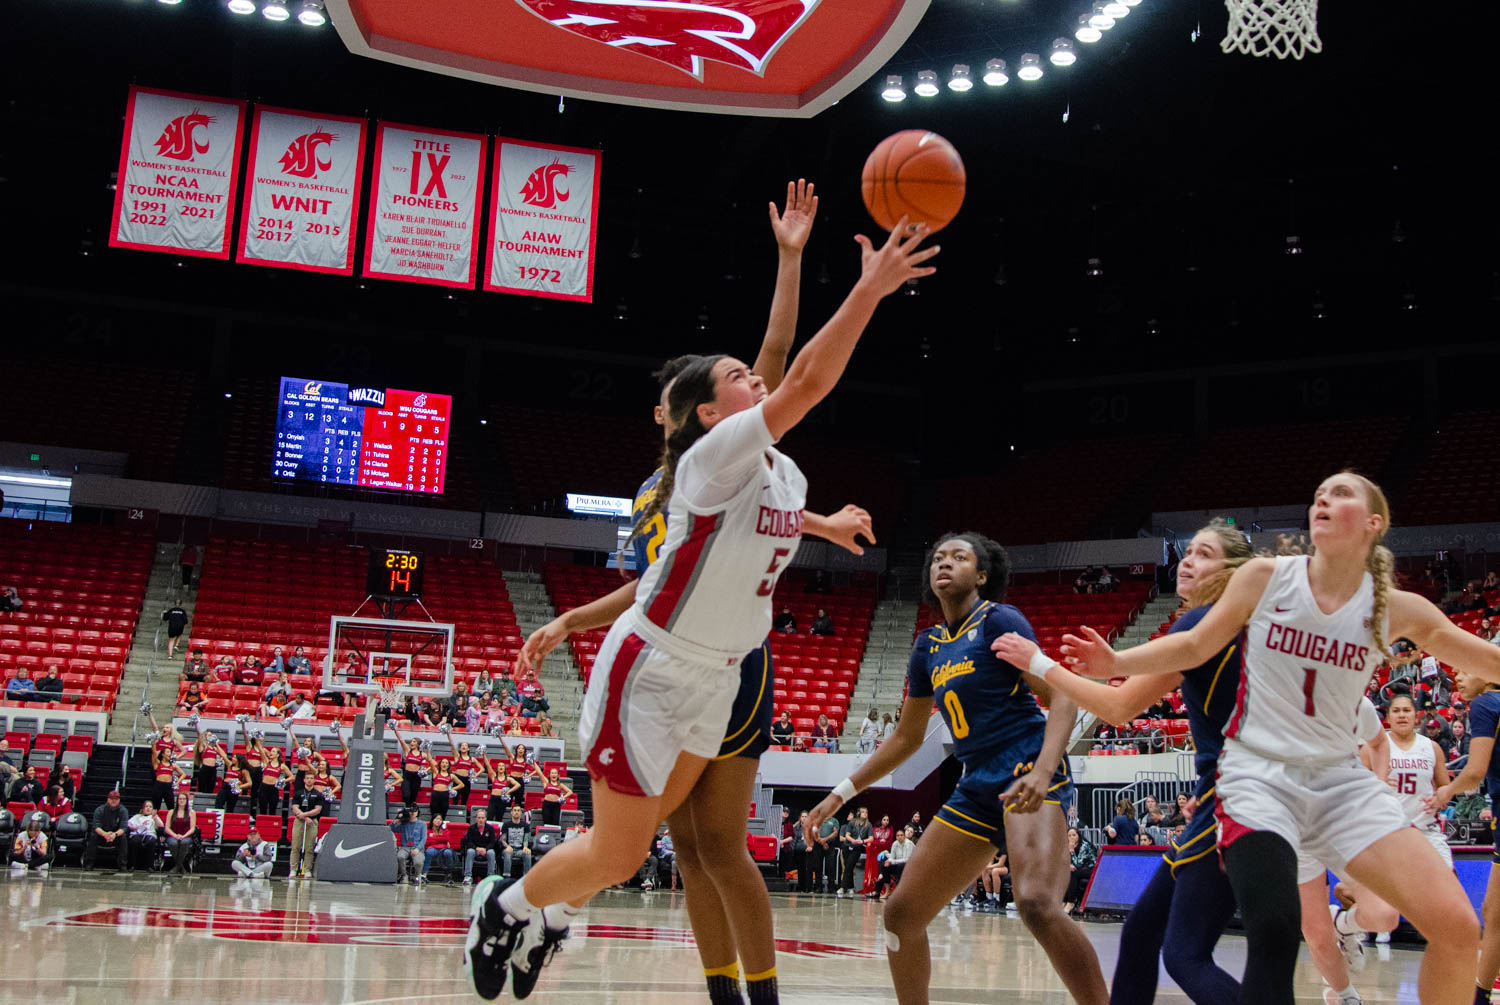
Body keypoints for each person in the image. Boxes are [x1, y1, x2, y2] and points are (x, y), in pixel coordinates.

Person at [470, 204, 932, 1004]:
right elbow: (806, 378)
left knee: (649, 838)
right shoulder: (710, 458)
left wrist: (790, 259)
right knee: (625, 853)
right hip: (651, 667)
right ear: (710, 415)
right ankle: (506, 906)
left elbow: (783, 365)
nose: (756, 377)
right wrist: (870, 290)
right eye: (738, 379)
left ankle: (552, 911)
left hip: (720, 677)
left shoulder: (777, 470)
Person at [1052, 471, 1500, 1003]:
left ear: (1374, 524)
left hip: (1337, 781)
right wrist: (1115, 661)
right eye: (1319, 495)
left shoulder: (1392, 607)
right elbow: (1194, 644)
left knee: (1455, 926)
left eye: (1341, 494)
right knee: (1260, 935)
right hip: (1258, 779)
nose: (1323, 500)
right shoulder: (1268, 577)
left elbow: (1480, 656)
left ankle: (1346, 935)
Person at [807, 532, 1107, 1005]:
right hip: (976, 784)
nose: (944, 563)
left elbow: (1063, 695)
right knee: (901, 913)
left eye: (959, 557)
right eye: (938, 557)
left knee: (1036, 904)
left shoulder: (998, 621)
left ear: (982, 575)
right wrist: (842, 792)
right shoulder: (927, 646)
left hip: (1027, 769)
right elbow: (906, 738)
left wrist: (1044, 771)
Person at [289, 779, 327, 879]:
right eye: (308, 778)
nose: (309, 780)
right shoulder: (298, 793)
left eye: (311, 778)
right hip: (299, 821)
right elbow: (295, 807)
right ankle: (293, 869)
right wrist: (304, 817)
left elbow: (318, 810)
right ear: (304, 780)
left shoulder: (318, 794)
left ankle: (307, 870)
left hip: (312, 821)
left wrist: (306, 815)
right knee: (296, 846)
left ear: (314, 780)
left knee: (309, 847)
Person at [85, 789, 129, 870]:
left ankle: (123, 865)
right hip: (102, 834)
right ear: (108, 799)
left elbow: (123, 827)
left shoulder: (123, 811)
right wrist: (105, 834)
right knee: (93, 836)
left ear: (119, 800)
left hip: (115, 835)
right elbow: (96, 826)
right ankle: (89, 863)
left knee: (123, 837)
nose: (114, 801)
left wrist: (114, 835)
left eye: (116, 799)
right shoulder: (100, 810)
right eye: (112, 799)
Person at [462, 808, 502, 885]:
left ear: (485, 819)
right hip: (475, 849)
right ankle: (468, 876)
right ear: (476, 818)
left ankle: (490, 877)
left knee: (491, 853)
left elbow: (492, 843)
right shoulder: (471, 828)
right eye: (479, 818)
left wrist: (485, 849)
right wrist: (477, 848)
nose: (481, 820)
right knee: (470, 851)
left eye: (482, 818)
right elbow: (469, 842)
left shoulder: (490, 829)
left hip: (486, 850)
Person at [392, 806, 428, 884]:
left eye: (415, 811)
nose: (412, 813)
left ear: (418, 812)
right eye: (411, 811)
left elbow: (424, 838)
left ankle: (417, 875)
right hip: (405, 847)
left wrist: (418, 849)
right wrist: (397, 819)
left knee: (418, 862)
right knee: (400, 856)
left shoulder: (422, 824)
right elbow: (393, 829)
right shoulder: (403, 823)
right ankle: (404, 875)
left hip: (417, 847)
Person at [162, 790, 196, 873]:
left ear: (187, 801)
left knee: (184, 842)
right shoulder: (171, 812)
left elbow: (192, 828)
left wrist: (183, 836)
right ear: (177, 800)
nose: (181, 800)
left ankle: (177, 867)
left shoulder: (191, 812)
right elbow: (167, 828)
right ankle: (180, 866)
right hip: (173, 835)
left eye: (184, 799)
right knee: (174, 843)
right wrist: (175, 835)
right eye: (180, 799)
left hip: (186, 836)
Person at [1064, 828, 1097, 913]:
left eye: (1074, 835)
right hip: (1079, 870)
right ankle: (1063, 901)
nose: (1071, 837)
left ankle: (1070, 902)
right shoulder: (1066, 845)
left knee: (1073, 873)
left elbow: (1079, 863)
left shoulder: (1084, 846)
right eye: (1069, 836)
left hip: (1091, 869)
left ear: (1078, 836)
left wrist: (1071, 851)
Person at [863, 813, 894, 898]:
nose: (886, 822)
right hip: (875, 852)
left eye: (887, 820)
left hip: (884, 852)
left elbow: (890, 842)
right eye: (884, 820)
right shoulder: (874, 829)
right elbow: (872, 840)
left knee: (882, 869)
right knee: (875, 870)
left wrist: (882, 843)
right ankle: (874, 888)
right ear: (881, 820)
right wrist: (880, 842)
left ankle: (884, 889)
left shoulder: (890, 829)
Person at [880, 825, 915, 897]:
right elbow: (892, 857)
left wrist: (892, 861)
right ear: (896, 837)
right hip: (898, 863)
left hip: (910, 865)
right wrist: (889, 861)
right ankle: (888, 891)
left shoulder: (908, 843)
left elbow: (906, 859)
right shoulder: (895, 843)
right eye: (898, 835)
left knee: (900, 866)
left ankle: (898, 893)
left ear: (904, 836)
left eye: (901, 835)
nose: (900, 837)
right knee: (885, 866)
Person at [500, 804, 533, 879]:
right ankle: (506, 877)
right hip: (508, 849)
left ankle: (526, 878)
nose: (516, 812)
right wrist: (507, 846)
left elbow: (526, 839)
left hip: (519, 850)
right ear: (511, 812)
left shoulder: (525, 825)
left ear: (521, 813)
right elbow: (502, 839)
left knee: (527, 853)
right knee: (507, 853)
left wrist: (525, 847)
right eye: (514, 810)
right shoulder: (506, 825)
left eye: (518, 810)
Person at [127, 800, 161, 870]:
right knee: (134, 842)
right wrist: (133, 827)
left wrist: (156, 818)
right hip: (138, 834)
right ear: (143, 809)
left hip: (150, 834)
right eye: (146, 806)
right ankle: (132, 865)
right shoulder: (137, 816)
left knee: (151, 842)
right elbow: (128, 824)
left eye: (150, 807)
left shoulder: (154, 817)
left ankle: (149, 866)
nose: (148, 808)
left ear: (153, 809)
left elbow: (161, 826)